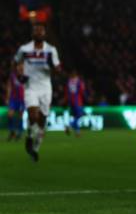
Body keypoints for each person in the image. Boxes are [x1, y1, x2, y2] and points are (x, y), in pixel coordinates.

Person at [14, 23, 61, 162]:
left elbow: (58, 68)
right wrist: (19, 73)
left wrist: (53, 67)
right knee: (33, 115)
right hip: (31, 87)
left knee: (43, 120)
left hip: (46, 87)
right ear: (32, 34)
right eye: (36, 31)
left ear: (45, 34)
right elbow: (16, 62)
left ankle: (35, 147)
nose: (39, 33)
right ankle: (29, 136)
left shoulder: (51, 50)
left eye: (41, 31)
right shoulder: (24, 49)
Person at [6, 63, 26, 141]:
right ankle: (12, 131)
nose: (20, 67)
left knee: (20, 115)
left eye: (22, 65)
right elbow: (9, 86)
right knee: (10, 114)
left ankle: (19, 133)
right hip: (13, 98)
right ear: (16, 67)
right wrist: (8, 97)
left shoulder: (26, 76)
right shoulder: (12, 76)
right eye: (19, 65)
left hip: (22, 99)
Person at [65, 69, 86, 137]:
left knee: (75, 116)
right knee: (80, 115)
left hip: (71, 101)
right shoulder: (79, 81)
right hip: (78, 101)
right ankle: (70, 125)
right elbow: (82, 91)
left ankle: (77, 132)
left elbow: (67, 91)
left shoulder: (69, 81)